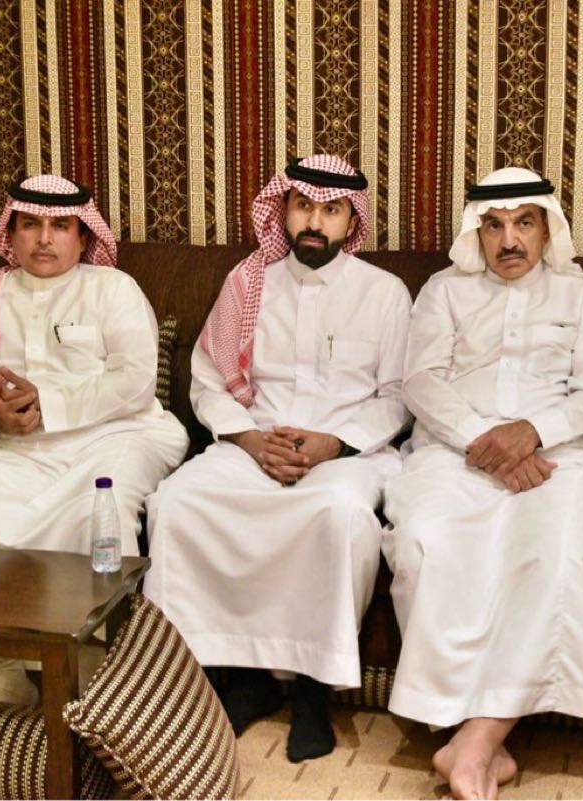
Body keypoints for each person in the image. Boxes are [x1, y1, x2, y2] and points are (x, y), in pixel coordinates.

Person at [143, 154, 411, 762]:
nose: (315, 221)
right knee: (179, 502)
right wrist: (249, 440)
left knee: (339, 516)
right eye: (303, 206)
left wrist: (332, 444)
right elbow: (209, 380)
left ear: (351, 221)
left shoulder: (384, 293)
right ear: (283, 211)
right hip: (252, 441)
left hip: (347, 452)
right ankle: (238, 679)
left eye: (331, 210)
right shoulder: (248, 283)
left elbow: (398, 396)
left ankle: (312, 691)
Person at [382, 167, 583, 799]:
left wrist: (532, 432)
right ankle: (484, 744)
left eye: (523, 223)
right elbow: (422, 381)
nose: (508, 240)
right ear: (476, 232)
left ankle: (474, 743)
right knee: (426, 540)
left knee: (561, 549)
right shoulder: (443, 292)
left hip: (557, 457)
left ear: (547, 229)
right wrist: (486, 443)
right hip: (454, 450)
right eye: (493, 226)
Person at [0, 174, 187, 703]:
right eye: (30, 225)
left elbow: (134, 381)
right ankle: (1, 664)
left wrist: (47, 408)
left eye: (60, 226)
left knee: (99, 509)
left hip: (121, 436)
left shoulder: (112, 288)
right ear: (10, 233)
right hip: (21, 449)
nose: (44, 239)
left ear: (83, 238)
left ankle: (102, 667)